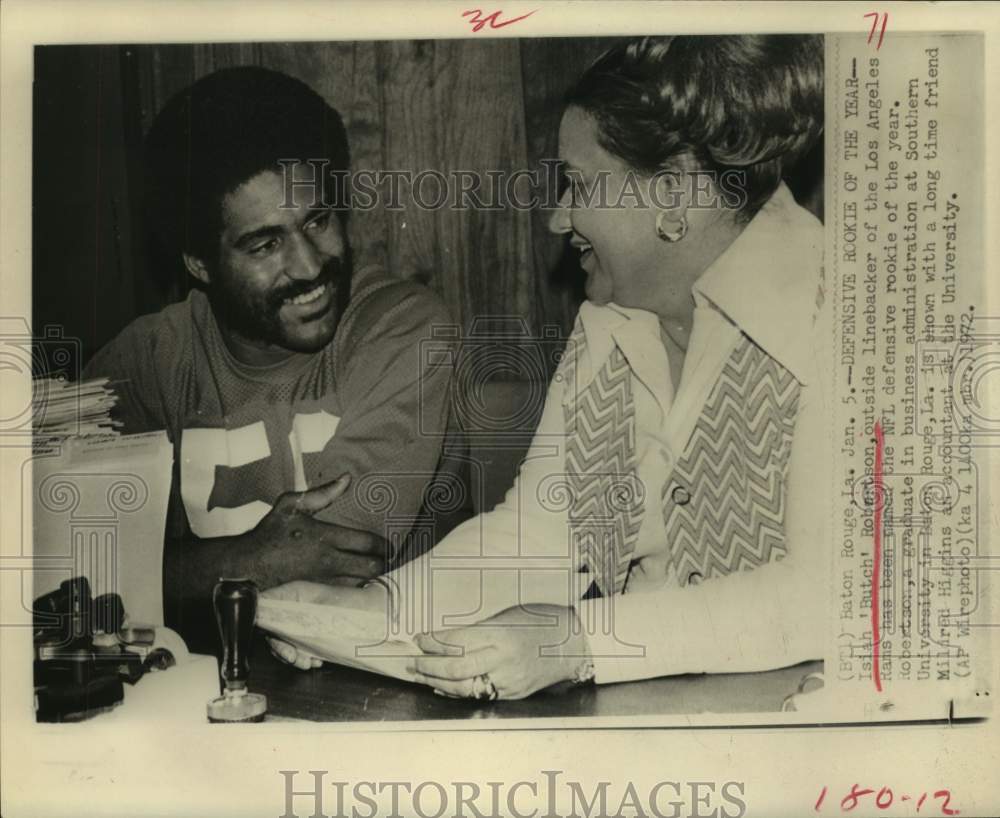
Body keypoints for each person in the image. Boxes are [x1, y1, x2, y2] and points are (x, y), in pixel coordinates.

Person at [266, 34, 828, 700]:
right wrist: (375, 608)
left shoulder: (849, 316)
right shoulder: (612, 314)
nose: (560, 217)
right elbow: (541, 533)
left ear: (674, 196)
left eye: (579, 184)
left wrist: (579, 642)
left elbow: (830, 594)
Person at [83, 67, 454, 648]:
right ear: (199, 265)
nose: (309, 267)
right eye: (265, 244)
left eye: (317, 221)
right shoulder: (140, 366)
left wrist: (174, 572)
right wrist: (250, 559)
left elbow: (339, 555)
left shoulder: (397, 326)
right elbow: (72, 573)